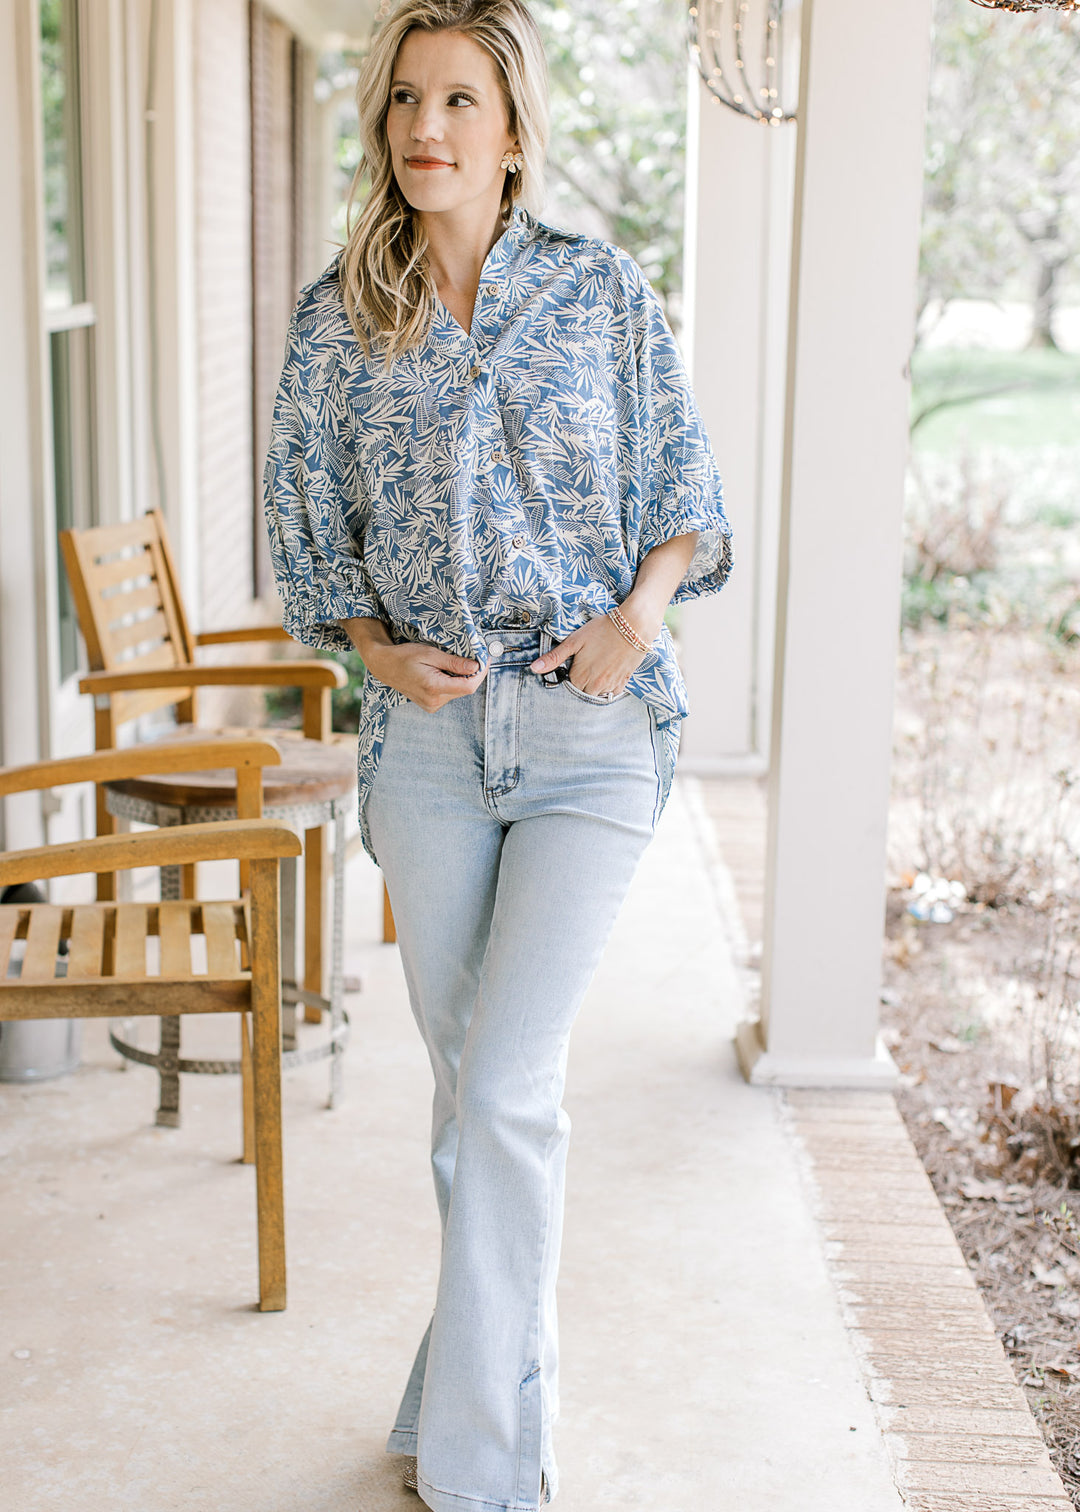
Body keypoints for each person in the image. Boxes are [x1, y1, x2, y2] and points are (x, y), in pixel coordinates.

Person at [262, 2, 732, 1507]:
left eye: (463, 100)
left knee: (510, 1089)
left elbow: (688, 496)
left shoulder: (602, 294)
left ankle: (484, 1470)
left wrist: (638, 618)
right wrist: (375, 649)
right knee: (472, 1096)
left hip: (590, 733)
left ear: (514, 132)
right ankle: (451, 1399)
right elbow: (302, 529)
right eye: (408, 97)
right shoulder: (338, 317)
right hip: (431, 743)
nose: (428, 127)